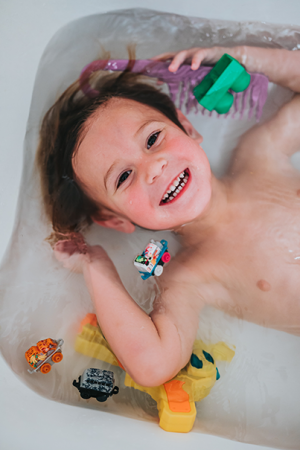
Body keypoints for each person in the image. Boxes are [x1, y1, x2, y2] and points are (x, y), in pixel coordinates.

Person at [37, 45, 300, 387]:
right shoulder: (188, 277)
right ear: (116, 220)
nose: (154, 167)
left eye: (153, 139)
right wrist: (96, 267)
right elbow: (154, 365)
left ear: (187, 128)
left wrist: (234, 58)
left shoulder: (259, 155)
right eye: (123, 176)